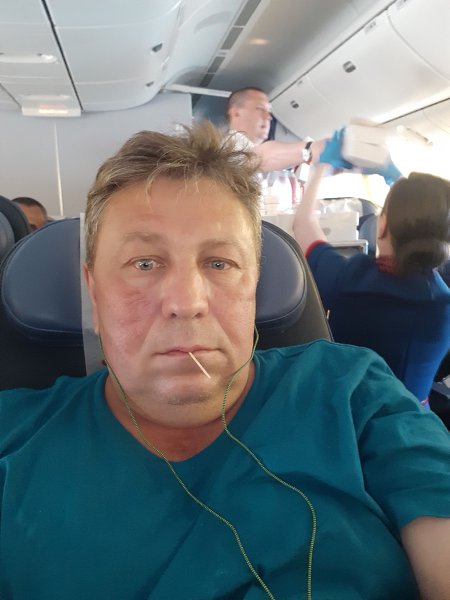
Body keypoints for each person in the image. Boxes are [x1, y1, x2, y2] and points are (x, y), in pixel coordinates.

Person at [1, 122, 449, 600]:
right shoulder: (13, 437)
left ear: (252, 284)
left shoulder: (352, 391)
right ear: (94, 291)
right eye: (145, 263)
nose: (186, 302)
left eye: (219, 263)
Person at [293, 132, 450, 404]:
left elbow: (303, 223)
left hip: (349, 414)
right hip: (414, 419)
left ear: (383, 224)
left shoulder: (350, 280)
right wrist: (395, 177)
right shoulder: (442, 303)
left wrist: (321, 167)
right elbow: (426, 222)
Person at [225, 87, 325, 172]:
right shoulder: (228, 149)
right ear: (236, 113)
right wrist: (311, 149)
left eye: (269, 111)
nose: (268, 117)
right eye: (260, 108)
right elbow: (263, 156)